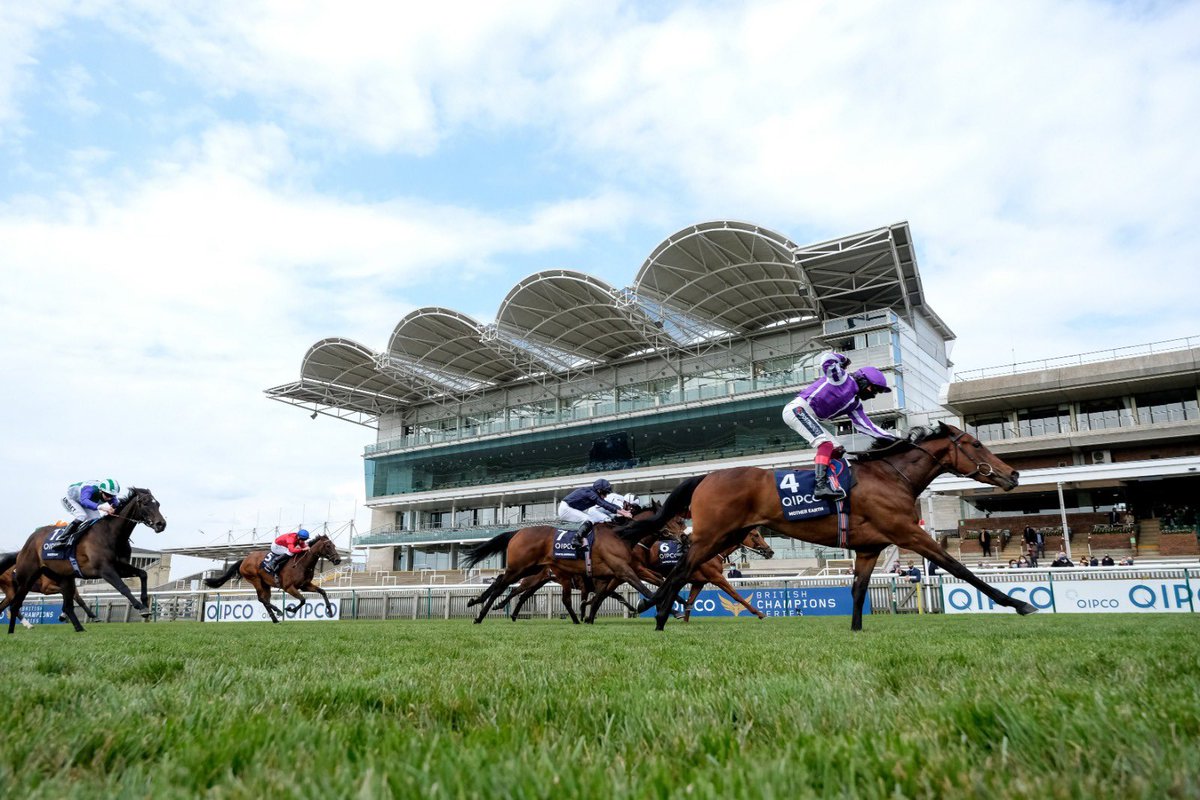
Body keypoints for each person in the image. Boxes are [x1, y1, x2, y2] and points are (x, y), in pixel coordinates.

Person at [781, 351, 898, 500]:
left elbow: (867, 426)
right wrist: (844, 359)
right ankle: (820, 486)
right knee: (825, 445)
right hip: (797, 410)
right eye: (873, 389)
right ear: (863, 380)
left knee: (837, 449)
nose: (873, 395)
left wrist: (895, 440)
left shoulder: (855, 404)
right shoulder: (842, 378)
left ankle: (828, 481)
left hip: (808, 415)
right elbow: (826, 359)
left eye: (877, 392)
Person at [558, 478, 632, 550]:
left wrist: (624, 512)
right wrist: (624, 513)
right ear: (599, 491)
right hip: (565, 509)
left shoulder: (593, 492)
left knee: (592, 521)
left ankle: (583, 539)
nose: (606, 495)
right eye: (605, 493)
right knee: (590, 519)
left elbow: (607, 504)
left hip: (570, 508)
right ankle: (576, 539)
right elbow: (604, 505)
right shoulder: (590, 493)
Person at [60, 478, 126, 540]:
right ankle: (62, 538)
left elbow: (117, 506)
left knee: (97, 521)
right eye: (107, 495)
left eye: (112, 496)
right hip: (70, 499)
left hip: (84, 502)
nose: (109, 498)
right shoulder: (90, 488)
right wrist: (101, 507)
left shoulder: (110, 495)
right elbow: (84, 501)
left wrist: (114, 510)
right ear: (101, 491)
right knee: (82, 515)